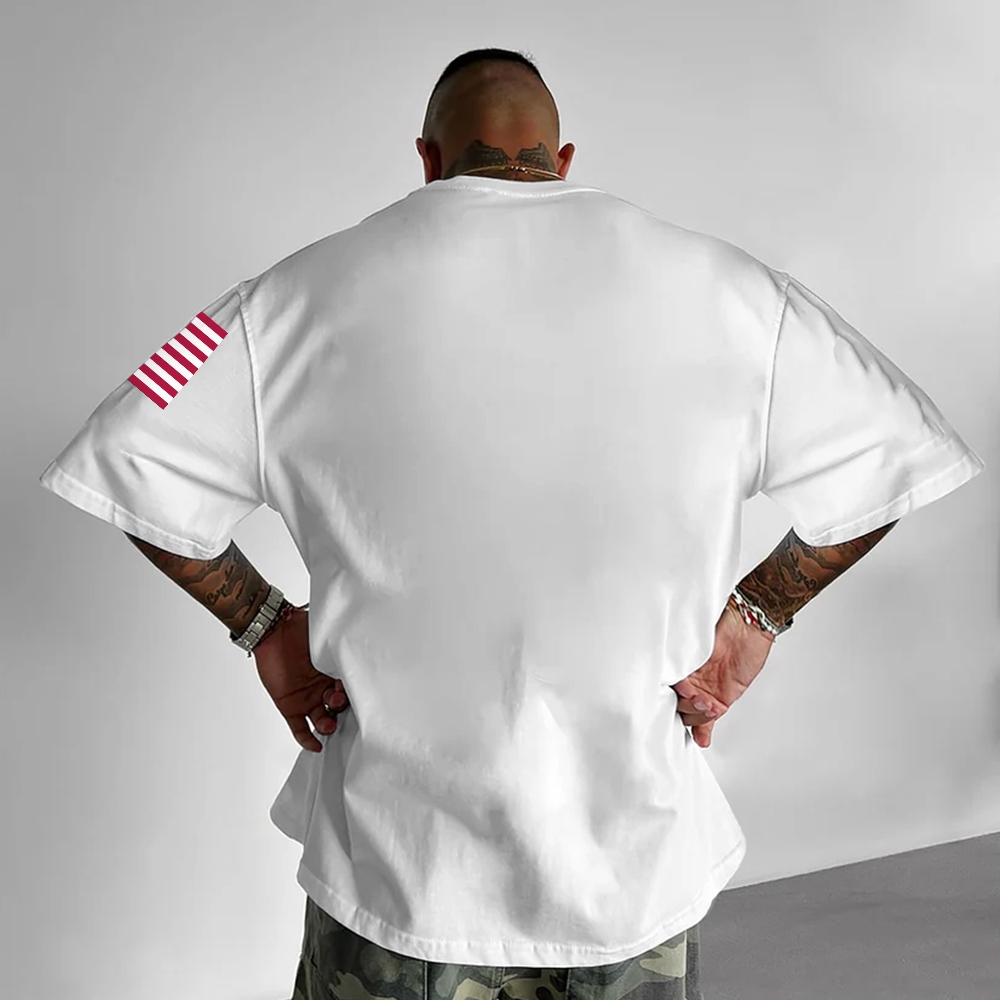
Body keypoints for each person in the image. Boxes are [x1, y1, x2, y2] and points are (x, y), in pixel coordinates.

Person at [38, 45, 984, 1000]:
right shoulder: (739, 292)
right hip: (633, 875)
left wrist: (263, 627)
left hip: (397, 877)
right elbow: (899, 444)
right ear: (562, 161)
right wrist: (759, 614)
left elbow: (125, 449)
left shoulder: (277, 304)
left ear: (427, 160)